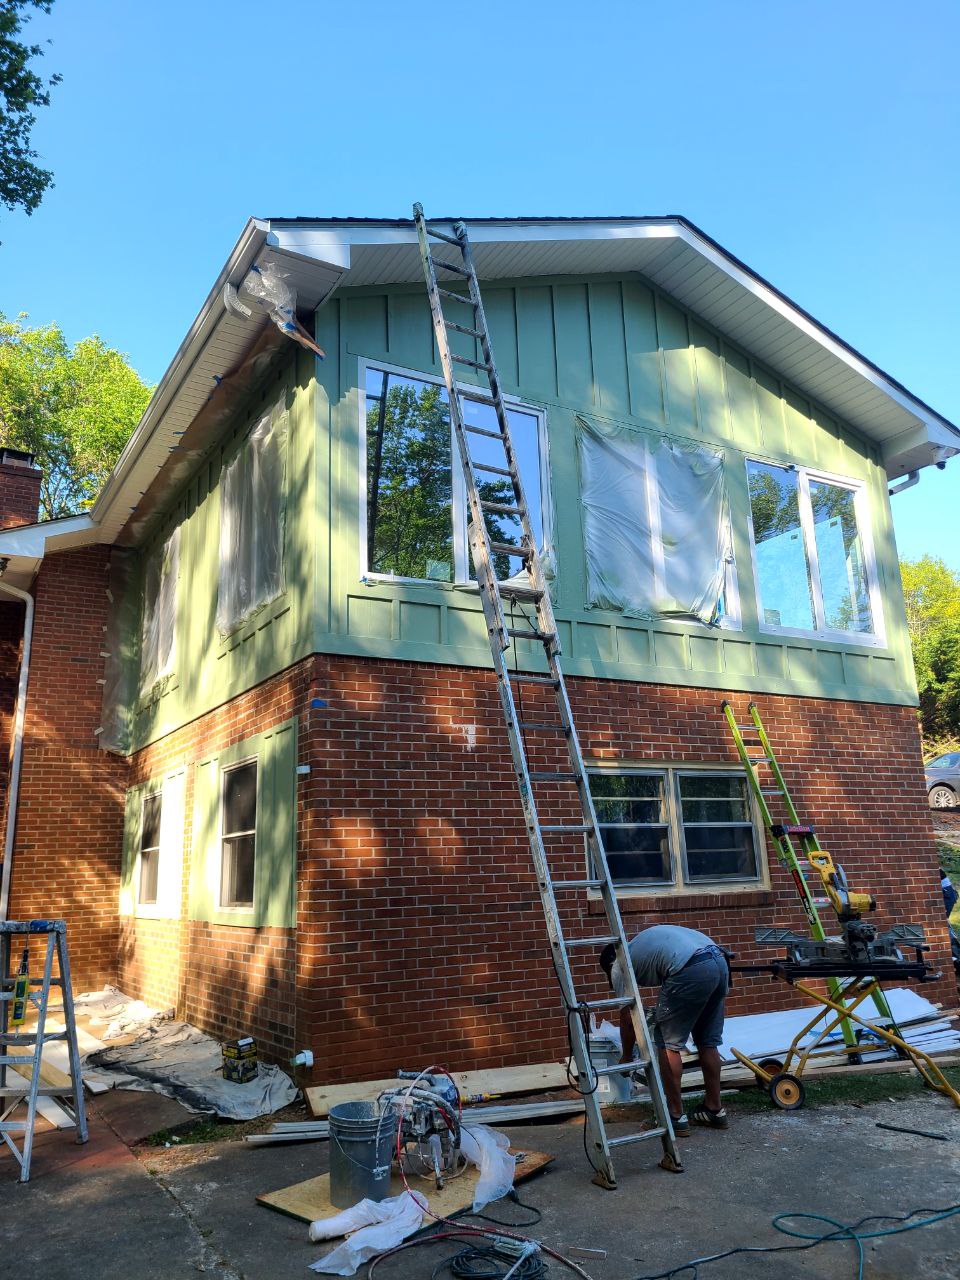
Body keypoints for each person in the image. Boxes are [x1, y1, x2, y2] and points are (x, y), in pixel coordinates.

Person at [599, 925, 729, 1137]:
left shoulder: (618, 964)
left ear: (609, 964)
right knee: (707, 1041)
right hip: (718, 961)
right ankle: (714, 1108)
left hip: (689, 967)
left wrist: (625, 1057)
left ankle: (674, 1115)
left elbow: (627, 1018)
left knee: (668, 1043)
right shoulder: (642, 945)